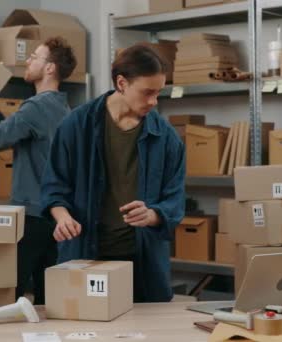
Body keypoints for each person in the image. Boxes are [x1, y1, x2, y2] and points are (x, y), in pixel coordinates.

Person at [40, 44, 185, 303]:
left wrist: (152, 215)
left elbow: (175, 200)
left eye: (158, 93)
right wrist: (62, 217)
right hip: (85, 256)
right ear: (121, 83)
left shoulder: (167, 138)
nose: (153, 101)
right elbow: (54, 187)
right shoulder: (75, 126)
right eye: (147, 93)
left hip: (142, 265)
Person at [0, 37, 77, 305]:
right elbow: (17, 135)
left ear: (49, 68)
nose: (28, 60)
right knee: (47, 299)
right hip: (52, 216)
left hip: (32, 217)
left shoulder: (35, 107)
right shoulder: (61, 107)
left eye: (35, 56)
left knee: (8, 294)